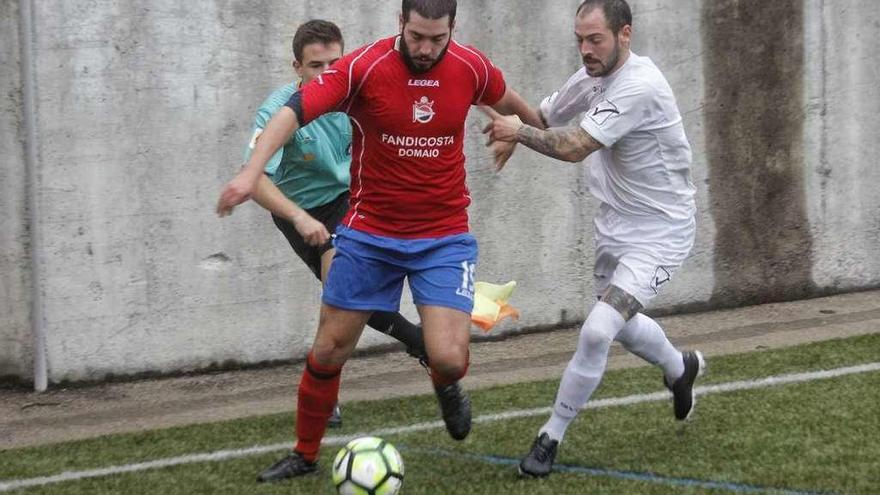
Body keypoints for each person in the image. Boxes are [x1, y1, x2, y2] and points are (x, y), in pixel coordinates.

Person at [217, 0, 544, 482]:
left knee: (450, 358)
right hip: (370, 233)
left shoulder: (470, 66)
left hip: (443, 236)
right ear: (400, 24)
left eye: (437, 38)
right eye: (416, 36)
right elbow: (293, 111)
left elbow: (513, 102)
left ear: (452, 28)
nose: (426, 48)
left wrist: (526, 133)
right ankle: (305, 454)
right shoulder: (364, 67)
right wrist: (250, 173)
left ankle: (444, 383)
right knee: (329, 349)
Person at [484, 0, 705, 478]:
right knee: (620, 325)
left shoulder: (640, 86)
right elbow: (544, 117)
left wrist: (517, 132)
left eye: (595, 39)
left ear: (625, 34)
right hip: (614, 227)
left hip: (661, 233)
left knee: (597, 330)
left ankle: (550, 436)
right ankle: (679, 368)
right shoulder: (590, 76)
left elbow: (576, 146)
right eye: (580, 39)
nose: (585, 49)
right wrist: (510, 124)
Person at [241, 20, 431, 428]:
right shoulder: (279, 110)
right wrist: (297, 216)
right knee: (344, 294)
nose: (328, 74)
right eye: (315, 66)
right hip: (298, 209)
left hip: (352, 199)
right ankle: (417, 342)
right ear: (297, 68)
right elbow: (254, 179)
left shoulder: (357, 95)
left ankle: (331, 392)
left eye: (335, 62)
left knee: (342, 290)